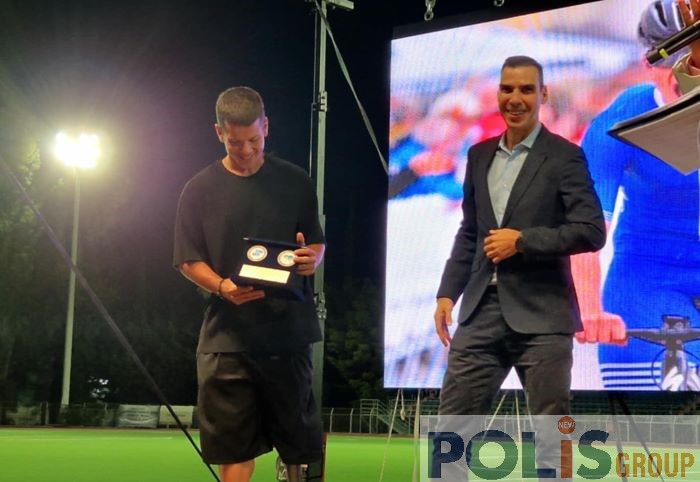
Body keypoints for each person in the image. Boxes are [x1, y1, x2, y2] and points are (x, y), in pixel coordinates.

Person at [434, 55, 605, 416]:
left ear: (543, 95)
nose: (515, 99)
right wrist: (448, 292)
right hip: (480, 312)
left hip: (543, 315)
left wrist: (522, 241)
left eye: (526, 90)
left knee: (552, 435)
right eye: (507, 89)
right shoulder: (479, 156)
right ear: (498, 94)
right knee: (452, 428)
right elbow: (470, 232)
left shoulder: (565, 156)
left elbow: (591, 231)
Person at [173, 86, 325, 482]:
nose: (246, 150)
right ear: (219, 133)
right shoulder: (198, 189)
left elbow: (315, 241)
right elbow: (187, 259)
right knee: (234, 452)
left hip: (288, 333)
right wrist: (222, 286)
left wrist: (312, 258)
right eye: (235, 142)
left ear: (266, 127)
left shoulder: (295, 181)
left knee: (302, 451)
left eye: (254, 140)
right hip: (227, 338)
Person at [576, 0, 700, 390]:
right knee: (669, 412)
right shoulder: (620, 122)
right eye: (673, 60)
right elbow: (583, 228)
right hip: (650, 278)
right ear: (648, 64)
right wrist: (590, 309)